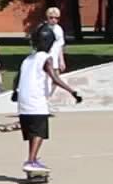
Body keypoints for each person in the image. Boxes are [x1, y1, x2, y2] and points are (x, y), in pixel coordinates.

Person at [17, 25, 83, 173]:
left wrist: (16, 92)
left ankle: (32, 158)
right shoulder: (46, 58)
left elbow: (19, 78)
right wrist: (72, 91)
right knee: (39, 133)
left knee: (33, 134)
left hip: (23, 103)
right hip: (36, 101)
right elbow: (54, 78)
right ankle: (31, 161)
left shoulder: (27, 59)